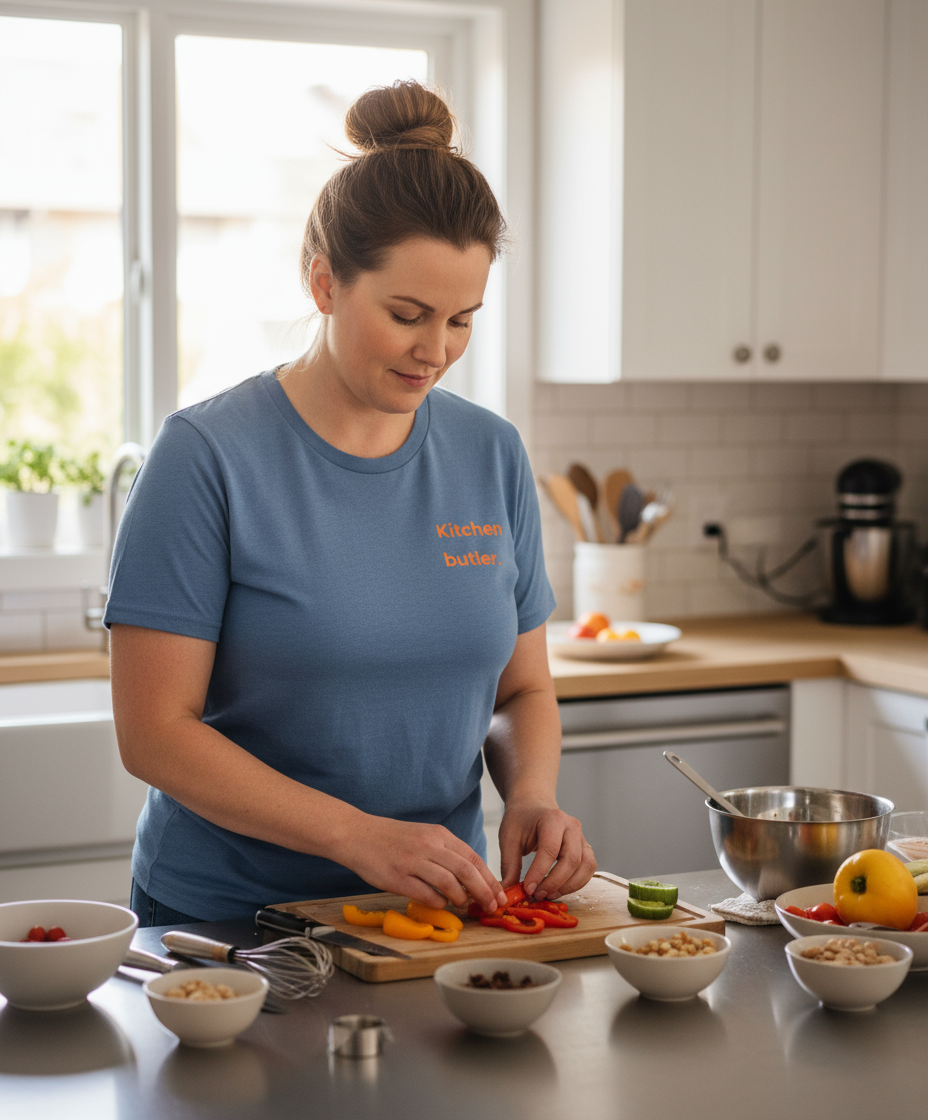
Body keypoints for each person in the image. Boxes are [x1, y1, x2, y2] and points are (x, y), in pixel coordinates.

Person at [106, 80, 596, 927]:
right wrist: (355, 836)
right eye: (407, 314)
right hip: (230, 926)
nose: (435, 351)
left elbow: (523, 693)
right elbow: (154, 732)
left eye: (462, 320)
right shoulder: (208, 456)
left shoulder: (492, 453)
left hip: (431, 915)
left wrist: (532, 796)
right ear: (325, 283)